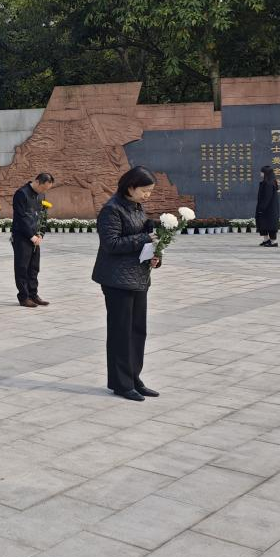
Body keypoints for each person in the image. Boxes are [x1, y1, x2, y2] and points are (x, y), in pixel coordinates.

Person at [92, 165, 162, 402]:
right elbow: (111, 244)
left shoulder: (137, 207)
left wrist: (155, 256)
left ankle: (134, 378)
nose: (147, 195)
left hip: (138, 278)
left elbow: (143, 241)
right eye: (144, 190)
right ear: (130, 187)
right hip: (116, 280)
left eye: (150, 191)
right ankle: (121, 383)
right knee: (121, 333)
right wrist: (144, 237)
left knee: (137, 331)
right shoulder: (111, 210)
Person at [12, 172, 55, 308]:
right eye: (43, 188)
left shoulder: (41, 195)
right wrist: (31, 236)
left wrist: (41, 234)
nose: (44, 191)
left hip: (36, 237)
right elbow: (21, 218)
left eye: (46, 189)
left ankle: (33, 294)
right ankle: (24, 297)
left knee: (34, 268)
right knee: (22, 267)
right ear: (37, 182)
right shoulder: (21, 193)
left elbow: (43, 215)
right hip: (22, 237)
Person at [256, 166, 280, 248]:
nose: (260, 173)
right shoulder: (267, 182)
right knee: (263, 224)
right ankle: (266, 240)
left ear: (266, 173)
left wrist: (261, 208)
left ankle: (273, 242)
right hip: (266, 208)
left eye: (262, 172)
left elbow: (267, 197)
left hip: (269, 209)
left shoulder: (269, 184)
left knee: (270, 225)